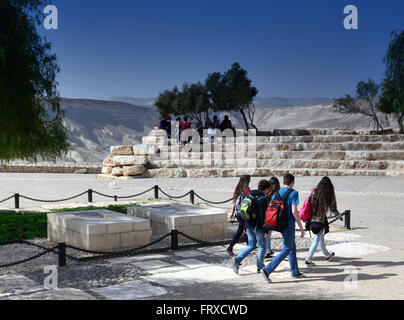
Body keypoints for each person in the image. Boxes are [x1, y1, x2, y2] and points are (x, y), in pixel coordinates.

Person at [261, 174, 305, 283]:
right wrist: (301, 227)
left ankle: (295, 271)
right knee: (287, 248)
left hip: (279, 224)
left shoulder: (277, 192)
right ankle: (267, 270)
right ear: (292, 182)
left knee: (291, 246)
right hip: (289, 224)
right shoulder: (294, 193)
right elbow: (294, 211)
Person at [232, 180, 271, 274]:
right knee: (262, 246)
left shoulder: (250, 195)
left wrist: (245, 226)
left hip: (248, 225)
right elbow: (262, 216)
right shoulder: (262, 199)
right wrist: (266, 230)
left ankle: (237, 259)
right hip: (258, 227)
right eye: (268, 189)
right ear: (265, 189)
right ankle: (260, 266)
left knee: (251, 245)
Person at [304, 177, 343, 267]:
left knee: (321, 238)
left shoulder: (314, 192)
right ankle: (308, 259)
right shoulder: (327, 195)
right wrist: (339, 216)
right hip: (320, 220)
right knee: (317, 239)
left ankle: (327, 255)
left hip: (311, 219)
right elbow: (333, 208)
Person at [226, 175, 251, 256]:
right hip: (243, 212)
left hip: (238, 213)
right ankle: (230, 247)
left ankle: (249, 245)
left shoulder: (238, 188)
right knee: (241, 230)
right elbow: (248, 200)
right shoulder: (246, 189)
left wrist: (233, 212)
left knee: (245, 229)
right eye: (249, 180)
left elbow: (235, 201)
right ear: (247, 181)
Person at [264, 177, 281, 259]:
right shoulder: (275, 193)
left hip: (269, 215)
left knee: (268, 233)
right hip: (273, 215)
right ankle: (267, 250)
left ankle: (268, 250)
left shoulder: (268, 193)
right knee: (268, 234)